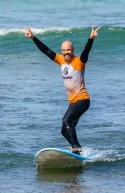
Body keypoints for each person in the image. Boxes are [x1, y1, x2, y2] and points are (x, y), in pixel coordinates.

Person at [25, 26, 100, 155]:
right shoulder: (60, 60)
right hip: (73, 101)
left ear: (73, 50)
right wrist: (33, 38)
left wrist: (91, 39)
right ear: (62, 51)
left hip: (82, 100)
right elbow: (46, 51)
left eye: (68, 50)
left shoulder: (79, 61)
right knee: (64, 130)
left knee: (66, 121)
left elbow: (86, 51)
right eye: (64, 50)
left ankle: (75, 147)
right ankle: (78, 150)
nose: (66, 52)